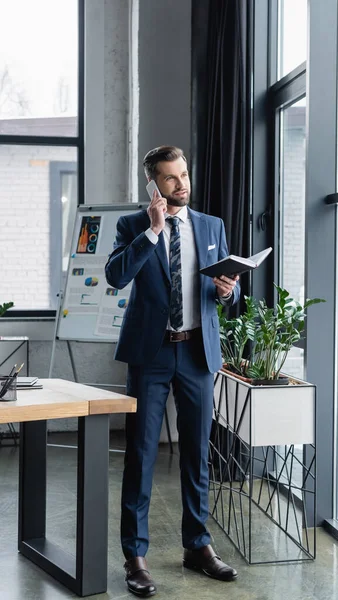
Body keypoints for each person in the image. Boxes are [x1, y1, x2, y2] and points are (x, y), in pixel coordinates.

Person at [105, 145, 240, 597]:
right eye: (170, 177)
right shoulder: (132, 225)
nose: (181, 183)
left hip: (197, 356)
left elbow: (228, 297)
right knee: (141, 455)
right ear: (153, 184)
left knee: (196, 455)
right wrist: (152, 231)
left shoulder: (211, 226)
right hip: (152, 355)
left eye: (183, 174)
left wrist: (226, 291)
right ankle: (135, 556)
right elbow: (115, 277)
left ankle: (197, 545)